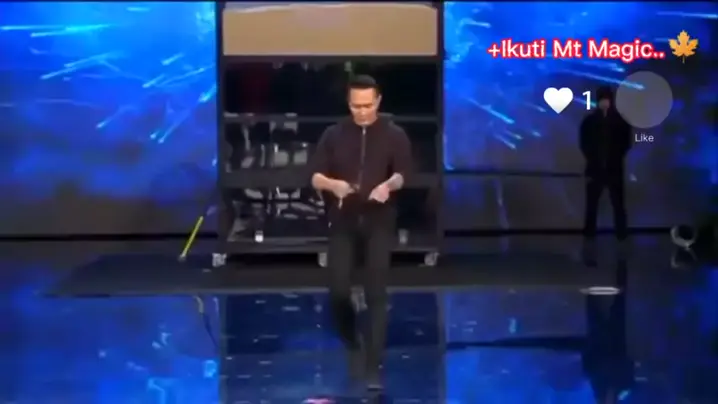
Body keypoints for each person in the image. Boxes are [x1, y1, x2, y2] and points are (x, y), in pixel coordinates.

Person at [309, 74, 412, 390]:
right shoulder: (333, 134)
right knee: (339, 291)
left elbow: (403, 174)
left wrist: (388, 185)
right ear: (348, 103)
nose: (363, 112)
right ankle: (353, 343)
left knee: (376, 292)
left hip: (379, 218)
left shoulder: (394, 135)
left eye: (368, 105)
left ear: (378, 101)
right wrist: (333, 185)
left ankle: (372, 367)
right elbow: (315, 176)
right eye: (356, 106)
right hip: (343, 219)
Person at [580, 86, 632, 241]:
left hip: (613, 168)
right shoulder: (590, 121)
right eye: (602, 99)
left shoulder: (620, 121)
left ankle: (621, 233)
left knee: (618, 204)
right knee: (592, 204)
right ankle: (589, 233)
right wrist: (592, 158)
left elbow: (626, 142)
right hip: (595, 168)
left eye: (607, 99)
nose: (604, 102)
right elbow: (584, 143)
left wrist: (616, 157)